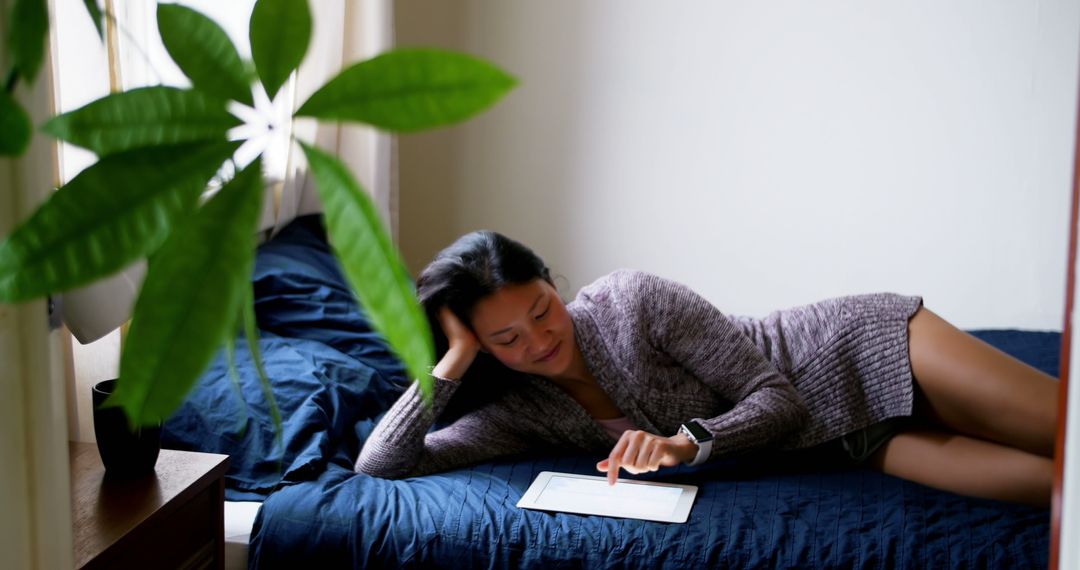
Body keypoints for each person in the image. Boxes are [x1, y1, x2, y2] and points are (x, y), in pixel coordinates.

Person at [355, 231, 1059, 507]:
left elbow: (775, 398)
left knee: (1068, 430)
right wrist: (449, 362)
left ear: (551, 280)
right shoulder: (519, 412)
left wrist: (685, 444)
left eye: (543, 309)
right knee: (1060, 494)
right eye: (505, 338)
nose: (539, 340)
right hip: (853, 446)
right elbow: (381, 465)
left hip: (860, 350)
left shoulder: (630, 301)